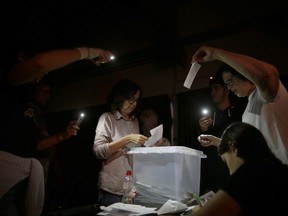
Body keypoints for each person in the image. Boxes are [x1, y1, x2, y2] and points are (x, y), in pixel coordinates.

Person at [0, 45, 114, 215]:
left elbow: (31, 146)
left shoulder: (26, 104)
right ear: (22, 57)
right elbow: (40, 64)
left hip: (21, 179)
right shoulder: (8, 78)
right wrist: (90, 53)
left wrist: (62, 135)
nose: (43, 75)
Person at [192, 46, 288, 165]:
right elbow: (248, 147)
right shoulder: (247, 111)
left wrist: (216, 54)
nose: (230, 87)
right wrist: (217, 142)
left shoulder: (264, 95)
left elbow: (267, 74)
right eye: (227, 84)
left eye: (231, 81)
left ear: (245, 74)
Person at [187, 122, 288, 216]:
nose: (231, 173)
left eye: (226, 161)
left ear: (233, 148)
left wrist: (197, 211)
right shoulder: (279, 169)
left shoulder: (247, 176)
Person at [93, 79, 148, 206]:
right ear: (120, 98)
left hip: (131, 188)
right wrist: (127, 139)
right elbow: (98, 151)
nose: (134, 104)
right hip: (112, 189)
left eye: (137, 100)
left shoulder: (134, 120)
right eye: (131, 99)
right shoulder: (107, 118)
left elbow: (134, 152)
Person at [197, 66, 246, 193]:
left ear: (226, 90)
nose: (212, 92)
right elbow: (203, 147)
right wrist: (202, 131)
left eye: (216, 88)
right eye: (211, 89)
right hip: (212, 173)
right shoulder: (211, 116)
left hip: (232, 172)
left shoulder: (238, 113)